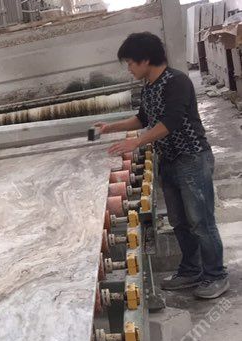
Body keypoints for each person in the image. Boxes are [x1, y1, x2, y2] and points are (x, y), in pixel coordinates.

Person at [96, 32, 228, 299]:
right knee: (179, 222)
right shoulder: (149, 86)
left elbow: (171, 122)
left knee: (201, 222)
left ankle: (216, 275)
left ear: (146, 60)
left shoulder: (176, 81)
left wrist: (137, 142)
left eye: (131, 63)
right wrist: (110, 127)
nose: (129, 68)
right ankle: (191, 271)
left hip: (191, 159)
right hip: (168, 161)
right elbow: (143, 118)